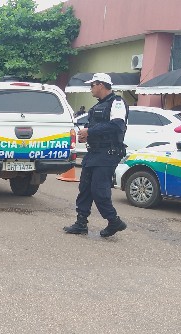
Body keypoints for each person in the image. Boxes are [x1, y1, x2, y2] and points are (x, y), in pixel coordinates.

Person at [64, 73, 129, 238]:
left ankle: (114, 220)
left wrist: (90, 131)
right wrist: (85, 134)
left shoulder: (117, 102)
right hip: (94, 152)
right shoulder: (97, 107)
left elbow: (117, 125)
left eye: (92, 85)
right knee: (85, 188)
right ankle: (81, 223)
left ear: (101, 84)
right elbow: (94, 127)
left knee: (99, 190)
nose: (90, 88)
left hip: (108, 153)